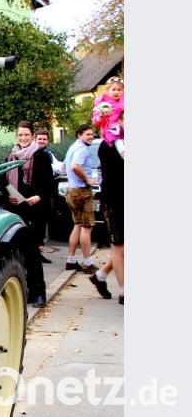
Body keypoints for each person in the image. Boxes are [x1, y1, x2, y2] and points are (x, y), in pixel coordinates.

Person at [5, 120, 51, 307]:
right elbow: (5, 180)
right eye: (20, 135)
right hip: (17, 208)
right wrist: (10, 197)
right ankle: (25, 290)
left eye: (26, 135)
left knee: (33, 252)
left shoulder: (40, 156)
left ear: (32, 136)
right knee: (17, 251)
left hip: (35, 209)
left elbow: (48, 184)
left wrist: (38, 196)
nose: (23, 138)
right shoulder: (12, 156)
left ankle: (39, 291)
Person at [63, 124, 99, 274]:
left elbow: (64, 167)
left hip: (71, 190)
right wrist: (88, 180)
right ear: (79, 135)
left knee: (77, 225)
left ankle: (70, 260)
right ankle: (88, 263)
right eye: (87, 134)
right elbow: (74, 166)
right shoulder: (82, 149)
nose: (91, 136)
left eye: (92, 134)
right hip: (82, 191)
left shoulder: (72, 147)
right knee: (87, 227)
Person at [95, 126, 125, 304]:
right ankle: (123, 292)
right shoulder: (108, 145)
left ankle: (100, 274)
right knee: (119, 247)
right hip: (115, 201)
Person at [92, 76, 125, 158]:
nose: (116, 92)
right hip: (110, 128)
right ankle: (123, 152)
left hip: (123, 129)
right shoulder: (103, 103)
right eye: (113, 89)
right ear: (108, 90)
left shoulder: (124, 101)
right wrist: (100, 117)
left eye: (119, 90)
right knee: (116, 139)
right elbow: (95, 120)